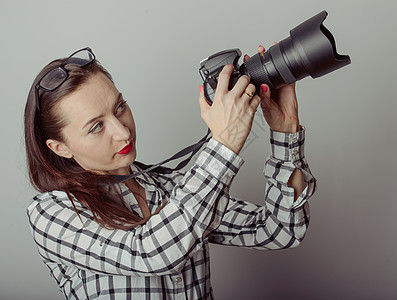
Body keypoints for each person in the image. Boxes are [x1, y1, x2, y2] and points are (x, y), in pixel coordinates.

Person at [25, 46, 316, 299]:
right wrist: (224, 144)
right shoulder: (52, 212)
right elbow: (150, 253)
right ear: (60, 147)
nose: (123, 131)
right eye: (96, 126)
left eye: (120, 107)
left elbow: (280, 230)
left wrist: (285, 129)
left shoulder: (172, 188)